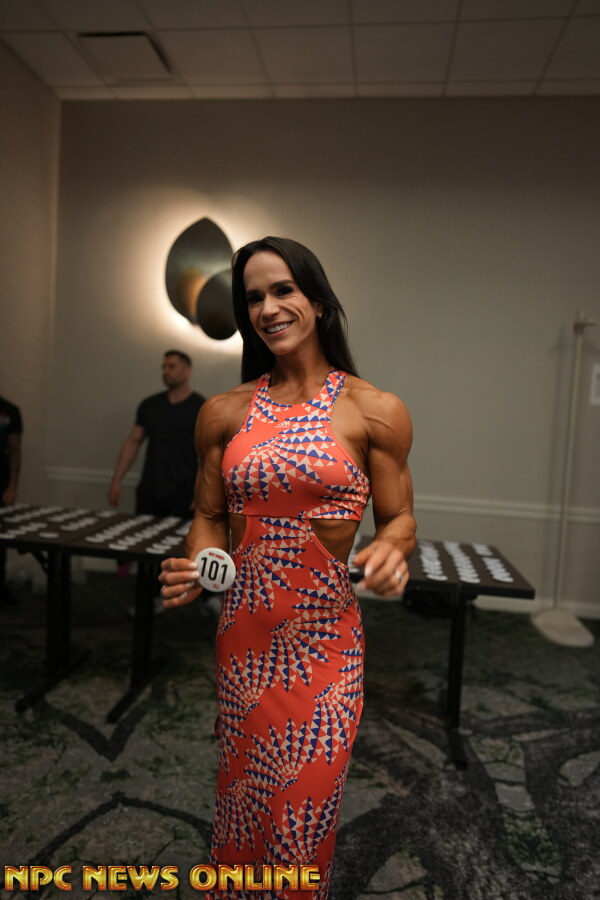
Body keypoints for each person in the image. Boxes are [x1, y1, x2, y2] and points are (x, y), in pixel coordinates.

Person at [159, 238, 416, 899]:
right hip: (244, 644)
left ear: (318, 301)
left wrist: (394, 549)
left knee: (303, 814)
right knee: (243, 800)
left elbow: (398, 518)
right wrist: (199, 563)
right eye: (253, 298)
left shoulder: (375, 409)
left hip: (325, 650)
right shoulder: (224, 412)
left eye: (283, 290)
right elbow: (207, 516)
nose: (268, 308)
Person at [108, 350, 205, 519]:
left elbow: (209, 454)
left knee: (180, 536)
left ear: (187, 371)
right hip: (150, 489)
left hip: (184, 490)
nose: (165, 371)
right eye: (164, 367)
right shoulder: (150, 405)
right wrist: (117, 480)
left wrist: (202, 492)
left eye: (171, 366)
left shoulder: (201, 407)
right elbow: (133, 442)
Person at [0, 394, 23, 606]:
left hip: (1, 480)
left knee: (1, 536)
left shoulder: (10, 411)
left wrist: (12, 486)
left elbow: (15, 450)